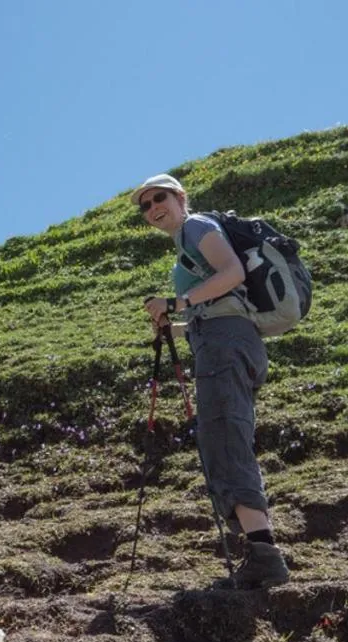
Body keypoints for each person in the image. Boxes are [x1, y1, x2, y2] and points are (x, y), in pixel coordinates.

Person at [135, 173, 290, 589]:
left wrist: (178, 301)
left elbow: (232, 272)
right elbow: (219, 305)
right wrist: (179, 325)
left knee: (224, 437)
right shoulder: (184, 242)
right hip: (225, 341)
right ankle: (258, 548)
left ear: (181, 197)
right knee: (223, 436)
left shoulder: (197, 226)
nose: (152, 209)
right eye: (145, 206)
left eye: (159, 198)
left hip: (226, 346)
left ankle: (264, 556)